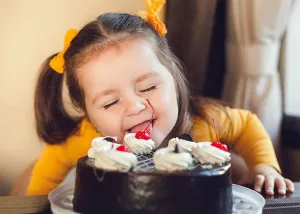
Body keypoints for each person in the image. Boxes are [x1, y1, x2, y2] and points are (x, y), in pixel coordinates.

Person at [27, 0, 294, 196]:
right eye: (110, 102)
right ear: (87, 112)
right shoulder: (84, 139)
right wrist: (34, 202)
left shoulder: (206, 121)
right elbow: (49, 167)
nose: (135, 106)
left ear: (174, 80)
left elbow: (247, 124)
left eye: (148, 87)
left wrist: (264, 167)